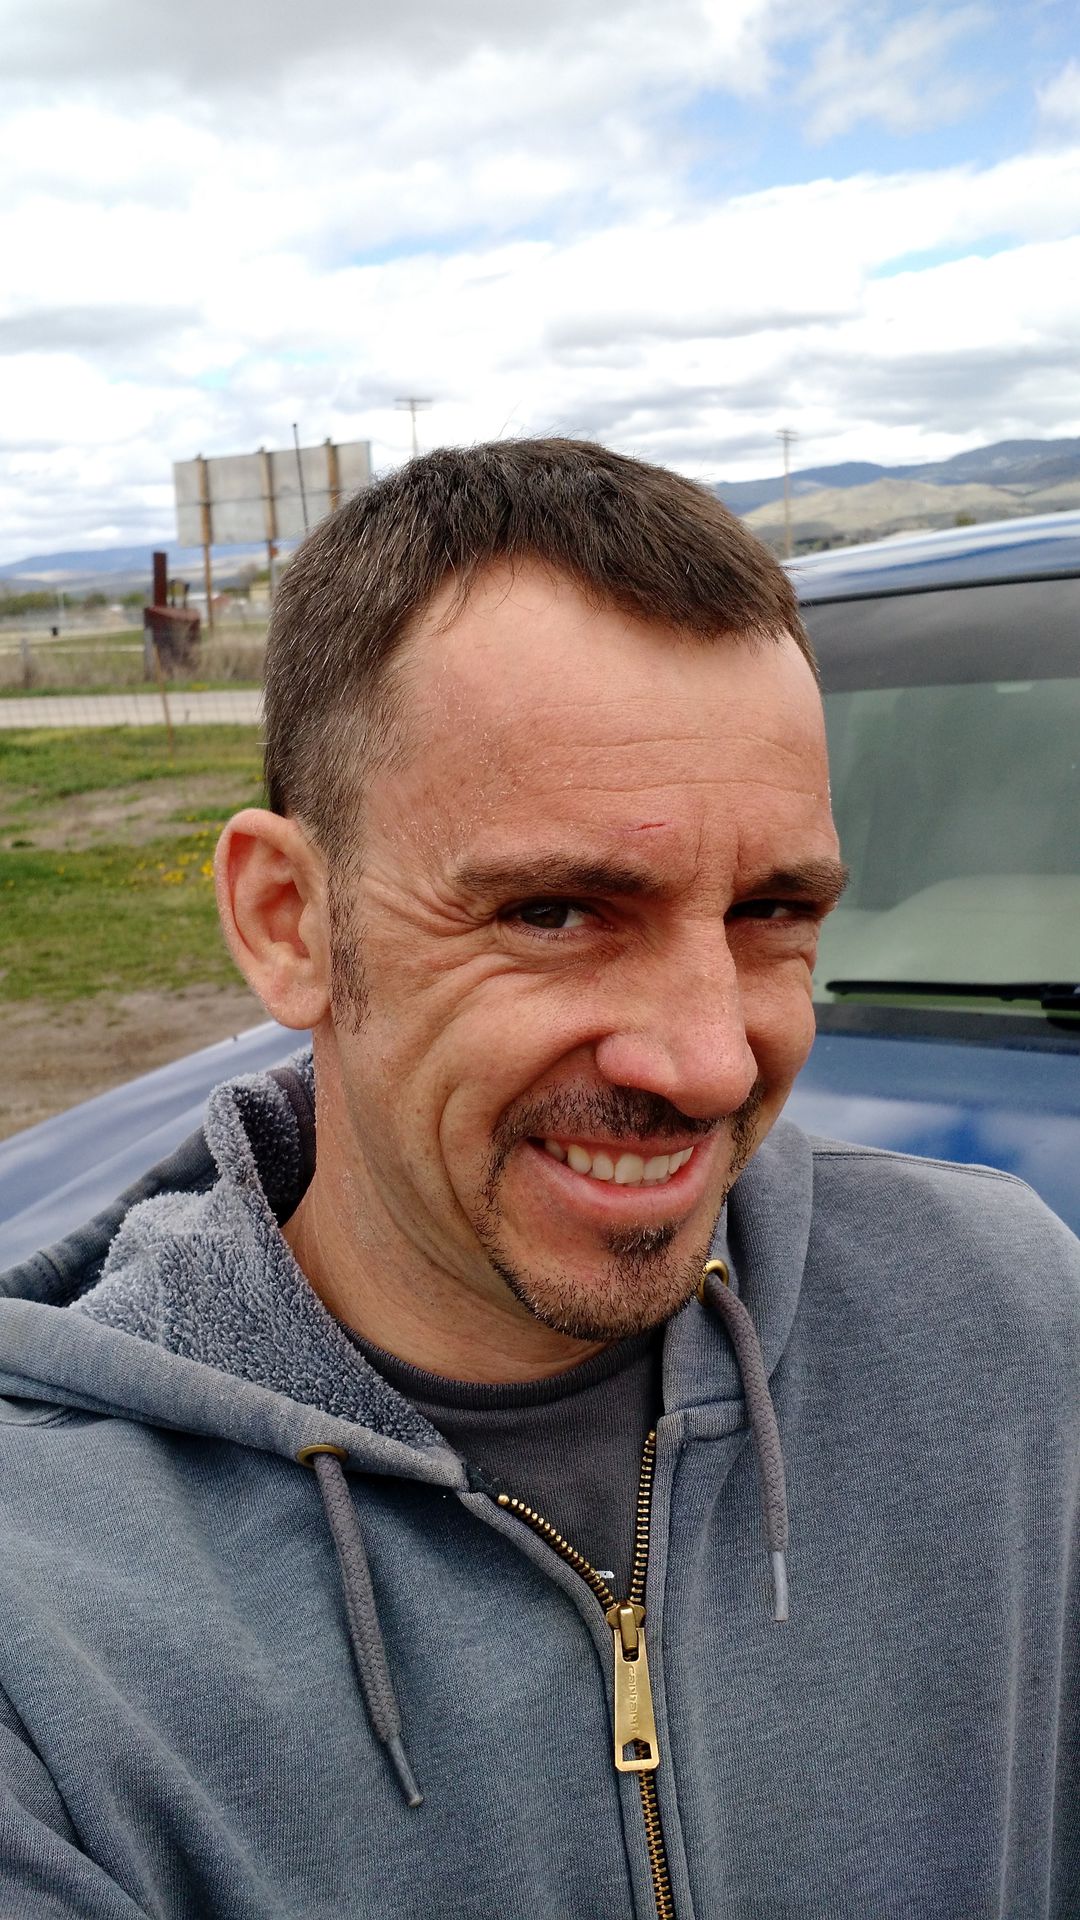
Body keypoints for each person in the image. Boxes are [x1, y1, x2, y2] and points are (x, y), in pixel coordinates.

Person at [1, 439, 1077, 1920]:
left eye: (772, 911)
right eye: (559, 912)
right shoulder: (45, 1621)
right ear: (289, 921)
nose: (710, 1063)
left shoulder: (1010, 1330)